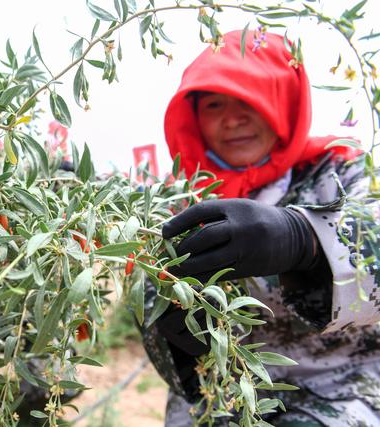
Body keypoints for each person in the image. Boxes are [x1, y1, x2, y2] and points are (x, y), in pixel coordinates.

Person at [141, 29, 380, 426]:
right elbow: (152, 296)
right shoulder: (179, 200)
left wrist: (304, 237)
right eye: (214, 104)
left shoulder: (341, 171)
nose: (232, 120)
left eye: (248, 100)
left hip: (343, 388)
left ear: (281, 102)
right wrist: (171, 326)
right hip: (220, 397)